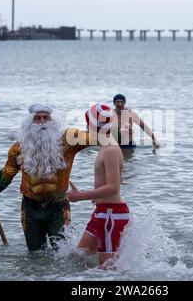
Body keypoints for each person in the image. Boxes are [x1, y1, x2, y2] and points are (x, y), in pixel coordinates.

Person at [0, 104, 90, 252]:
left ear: (53, 121)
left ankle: (63, 276)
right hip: (31, 208)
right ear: (30, 123)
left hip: (58, 206)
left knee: (63, 252)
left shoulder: (68, 142)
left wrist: (105, 128)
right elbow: (8, 171)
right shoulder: (19, 148)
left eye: (46, 118)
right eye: (37, 118)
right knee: (34, 253)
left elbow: (93, 138)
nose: (42, 122)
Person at [67, 103, 129, 268]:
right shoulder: (105, 147)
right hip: (102, 212)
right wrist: (98, 196)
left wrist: (81, 196)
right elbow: (118, 180)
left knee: (107, 267)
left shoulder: (110, 150)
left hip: (111, 214)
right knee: (80, 255)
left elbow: (114, 187)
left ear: (91, 125)